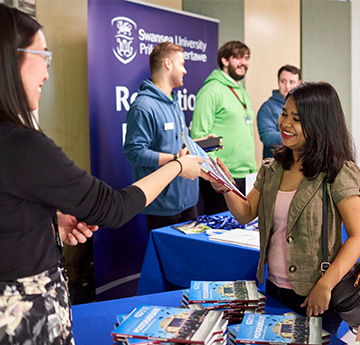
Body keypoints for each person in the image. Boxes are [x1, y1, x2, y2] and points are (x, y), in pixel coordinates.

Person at [0, 5, 209, 344]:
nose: (47, 73)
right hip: (22, 320)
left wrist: (50, 219)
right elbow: (112, 206)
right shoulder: (22, 144)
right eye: (43, 55)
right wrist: (176, 166)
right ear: (13, 57)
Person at [210, 81, 360, 335]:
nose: (285, 124)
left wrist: (324, 286)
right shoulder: (272, 168)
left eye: (296, 119)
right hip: (273, 289)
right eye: (284, 114)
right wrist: (226, 186)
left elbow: (357, 237)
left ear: (319, 124)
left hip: (316, 292)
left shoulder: (338, 172)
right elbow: (246, 213)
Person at [124, 42, 214, 231]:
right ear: (167, 64)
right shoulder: (144, 106)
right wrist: (176, 160)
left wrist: (201, 143)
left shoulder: (173, 102)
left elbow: (175, 144)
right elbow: (134, 153)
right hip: (163, 207)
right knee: (168, 260)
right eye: (181, 64)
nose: (185, 70)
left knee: (188, 259)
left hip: (189, 201)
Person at [190, 40, 257, 215]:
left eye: (247, 58)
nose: (244, 63)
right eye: (238, 58)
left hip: (246, 174)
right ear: (225, 61)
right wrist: (216, 175)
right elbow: (199, 137)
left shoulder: (242, 91)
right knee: (221, 233)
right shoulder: (210, 91)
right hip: (222, 177)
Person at [257, 65, 301, 158]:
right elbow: (267, 137)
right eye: (283, 81)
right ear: (278, 82)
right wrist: (300, 137)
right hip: (276, 164)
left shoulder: (303, 107)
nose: (287, 86)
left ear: (299, 83)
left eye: (292, 82)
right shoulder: (267, 108)